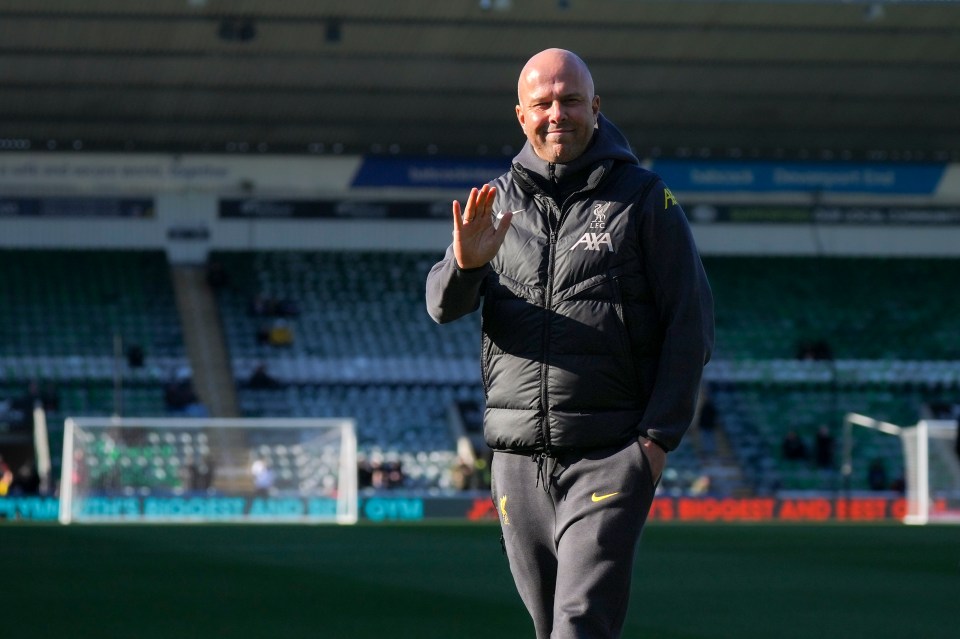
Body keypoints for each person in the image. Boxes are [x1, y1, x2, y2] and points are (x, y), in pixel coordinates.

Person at [425, 48, 714, 639]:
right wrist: (466, 263)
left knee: (579, 624)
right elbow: (441, 305)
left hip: (609, 453)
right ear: (521, 115)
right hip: (515, 462)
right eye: (543, 103)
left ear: (596, 107)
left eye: (571, 100)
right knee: (548, 624)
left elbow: (692, 322)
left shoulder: (644, 200)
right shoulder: (496, 202)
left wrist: (654, 442)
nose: (558, 113)